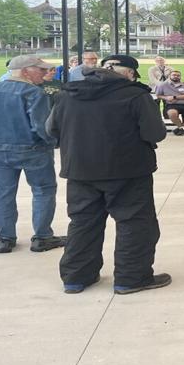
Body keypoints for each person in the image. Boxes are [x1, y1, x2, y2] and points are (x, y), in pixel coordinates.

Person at [47, 53, 170, 295]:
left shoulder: (68, 94)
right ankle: (131, 278)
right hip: (128, 170)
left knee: (82, 222)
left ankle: (76, 277)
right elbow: (155, 133)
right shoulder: (135, 95)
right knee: (134, 223)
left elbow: (51, 129)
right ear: (129, 73)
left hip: (80, 170)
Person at [0, 54, 64, 254]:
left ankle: (5, 238)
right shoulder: (34, 93)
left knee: (3, 192)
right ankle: (42, 236)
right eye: (40, 69)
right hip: (32, 149)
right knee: (43, 190)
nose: (45, 73)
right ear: (26, 71)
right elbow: (40, 127)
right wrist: (54, 142)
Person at [154, 70, 184, 135]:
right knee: (172, 113)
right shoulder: (163, 85)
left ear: (180, 77)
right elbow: (158, 95)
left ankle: (181, 128)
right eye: (174, 75)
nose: (176, 76)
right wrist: (166, 98)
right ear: (170, 76)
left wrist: (174, 97)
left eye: (178, 75)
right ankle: (181, 128)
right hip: (172, 105)